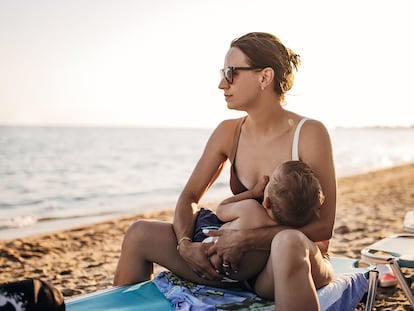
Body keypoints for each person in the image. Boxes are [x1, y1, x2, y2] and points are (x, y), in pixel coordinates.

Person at [114, 32, 336, 310]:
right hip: (228, 264)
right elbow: (189, 198)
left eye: (231, 72)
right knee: (139, 233)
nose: (222, 83)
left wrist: (246, 240)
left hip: (277, 267)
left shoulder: (309, 133)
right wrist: (185, 246)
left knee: (289, 242)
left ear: (264, 77)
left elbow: (322, 226)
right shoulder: (228, 133)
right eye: (223, 73)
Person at [196, 160, 325, 277]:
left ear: (267, 202)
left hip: (210, 257)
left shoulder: (250, 208)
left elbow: (221, 209)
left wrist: (251, 193)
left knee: (203, 215)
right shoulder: (279, 237)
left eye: (272, 180)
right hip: (238, 277)